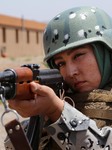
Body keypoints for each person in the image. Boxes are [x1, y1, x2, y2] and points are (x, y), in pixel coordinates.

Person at [8, 6, 112, 149]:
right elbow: (12, 146)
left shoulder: (58, 105)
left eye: (78, 56)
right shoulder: (64, 99)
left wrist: (55, 110)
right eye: (60, 63)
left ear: (104, 52)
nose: (70, 72)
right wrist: (41, 116)